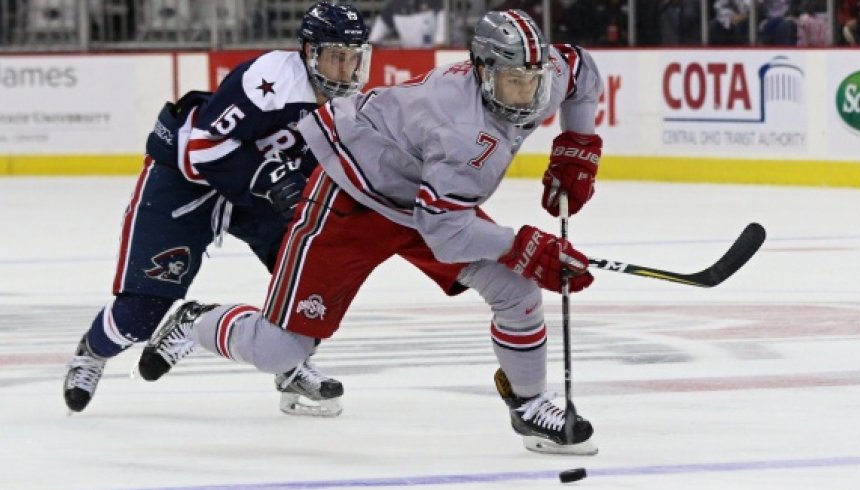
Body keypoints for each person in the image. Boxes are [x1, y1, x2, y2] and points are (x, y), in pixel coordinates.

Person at [138, 9, 603, 455]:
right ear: (483, 71)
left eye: (531, 81)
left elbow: (582, 68)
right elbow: (444, 235)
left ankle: (528, 404)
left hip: (428, 196)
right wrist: (523, 245)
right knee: (278, 349)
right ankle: (194, 321)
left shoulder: (543, 77)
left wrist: (577, 147)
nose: (525, 95)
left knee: (516, 288)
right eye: (511, 82)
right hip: (351, 195)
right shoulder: (460, 129)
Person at [62, 2, 373, 418]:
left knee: (316, 277)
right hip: (187, 179)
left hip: (256, 190)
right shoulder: (271, 79)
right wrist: (268, 178)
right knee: (137, 316)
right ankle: (92, 352)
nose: (345, 70)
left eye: (353, 58)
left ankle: (288, 363)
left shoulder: (351, 105)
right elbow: (201, 150)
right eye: (336, 56)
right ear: (309, 51)